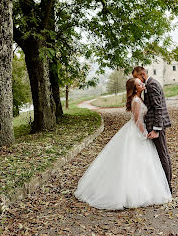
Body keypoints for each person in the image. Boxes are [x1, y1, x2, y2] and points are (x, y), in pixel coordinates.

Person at [74, 77, 171, 210]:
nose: (142, 84)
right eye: (139, 84)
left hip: (137, 130)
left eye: (141, 82)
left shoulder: (140, 97)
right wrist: (144, 134)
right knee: (133, 161)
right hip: (136, 132)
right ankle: (131, 193)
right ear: (134, 88)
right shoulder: (136, 100)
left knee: (142, 162)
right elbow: (137, 120)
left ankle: (142, 189)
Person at [132, 66, 172, 192]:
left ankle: (167, 187)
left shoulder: (152, 85)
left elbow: (158, 108)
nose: (136, 81)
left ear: (142, 74)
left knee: (162, 155)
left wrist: (156, 129)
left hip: (157, 126)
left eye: (136, 78)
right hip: (154, 125)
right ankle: (165, 185)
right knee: (162, 154)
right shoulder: (149, 84)